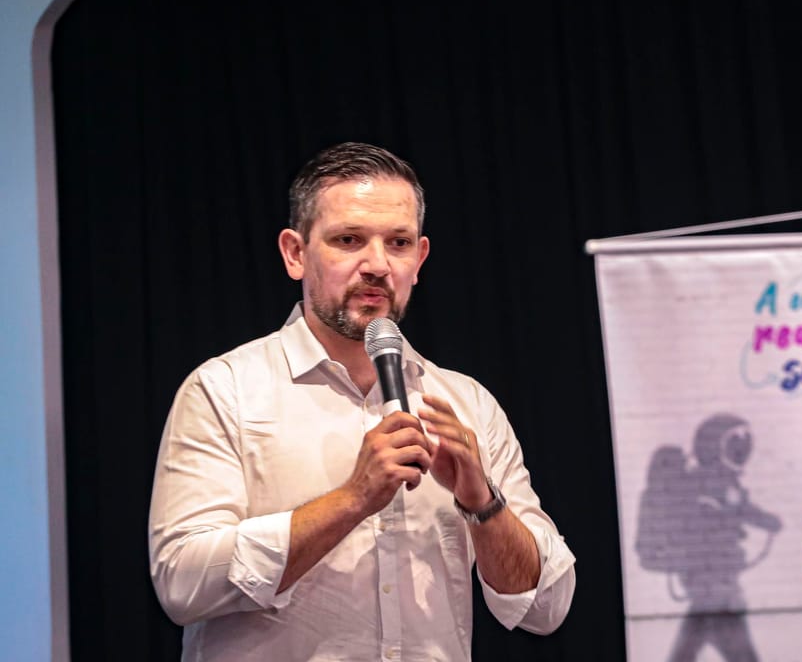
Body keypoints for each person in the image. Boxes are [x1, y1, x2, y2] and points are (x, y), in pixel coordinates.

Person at [149, 142, 576, 661]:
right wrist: (354, 499)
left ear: (419, 260)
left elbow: (545, 608)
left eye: (398, 243)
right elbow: (182, 584)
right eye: (349, 240)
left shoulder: (468, 404)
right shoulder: (225, 390)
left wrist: (482, 502)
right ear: (295, 253)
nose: (377, 265)